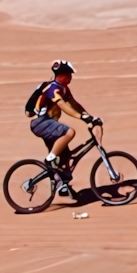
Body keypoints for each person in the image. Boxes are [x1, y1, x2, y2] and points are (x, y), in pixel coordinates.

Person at [29, 60, 101, 196]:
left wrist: (89, 117)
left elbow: (74, 104)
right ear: (61, 75)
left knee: (66, 156)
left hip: (48, 124)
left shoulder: (64, 89)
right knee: (69, 132)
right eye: (68, 74)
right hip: (41, 123)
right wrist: (82, 118)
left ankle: (62, 186)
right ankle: (50, 159)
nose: (70, 77)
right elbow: (63, 105)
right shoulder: (53, 89)